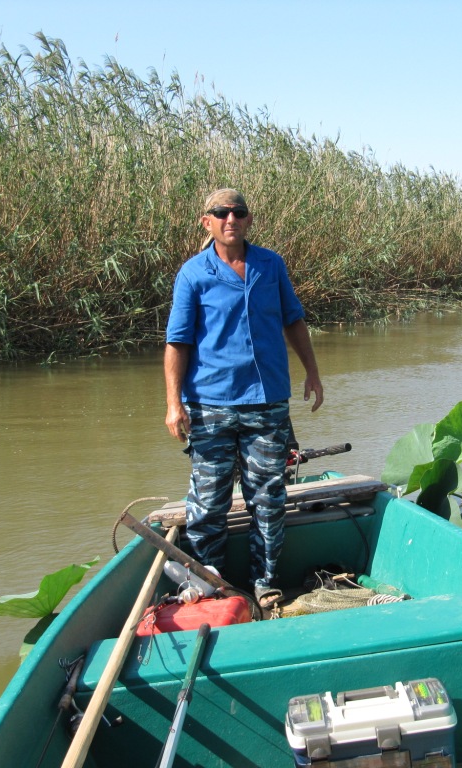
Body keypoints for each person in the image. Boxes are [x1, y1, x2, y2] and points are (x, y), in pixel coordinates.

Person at [164, 188, 324, 611]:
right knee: (208, 499)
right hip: (210, 405)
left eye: (237, 212)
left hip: (267, 402)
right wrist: (173, 403)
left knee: (268, 497)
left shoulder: (270, 265)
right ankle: (207, 579)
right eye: (221, 213)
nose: (230, 219)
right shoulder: (193, 274)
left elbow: (293, 320)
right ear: (207, 222)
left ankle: (265, 582)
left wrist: (312, 372)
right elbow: (177, 342)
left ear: (249, 220)